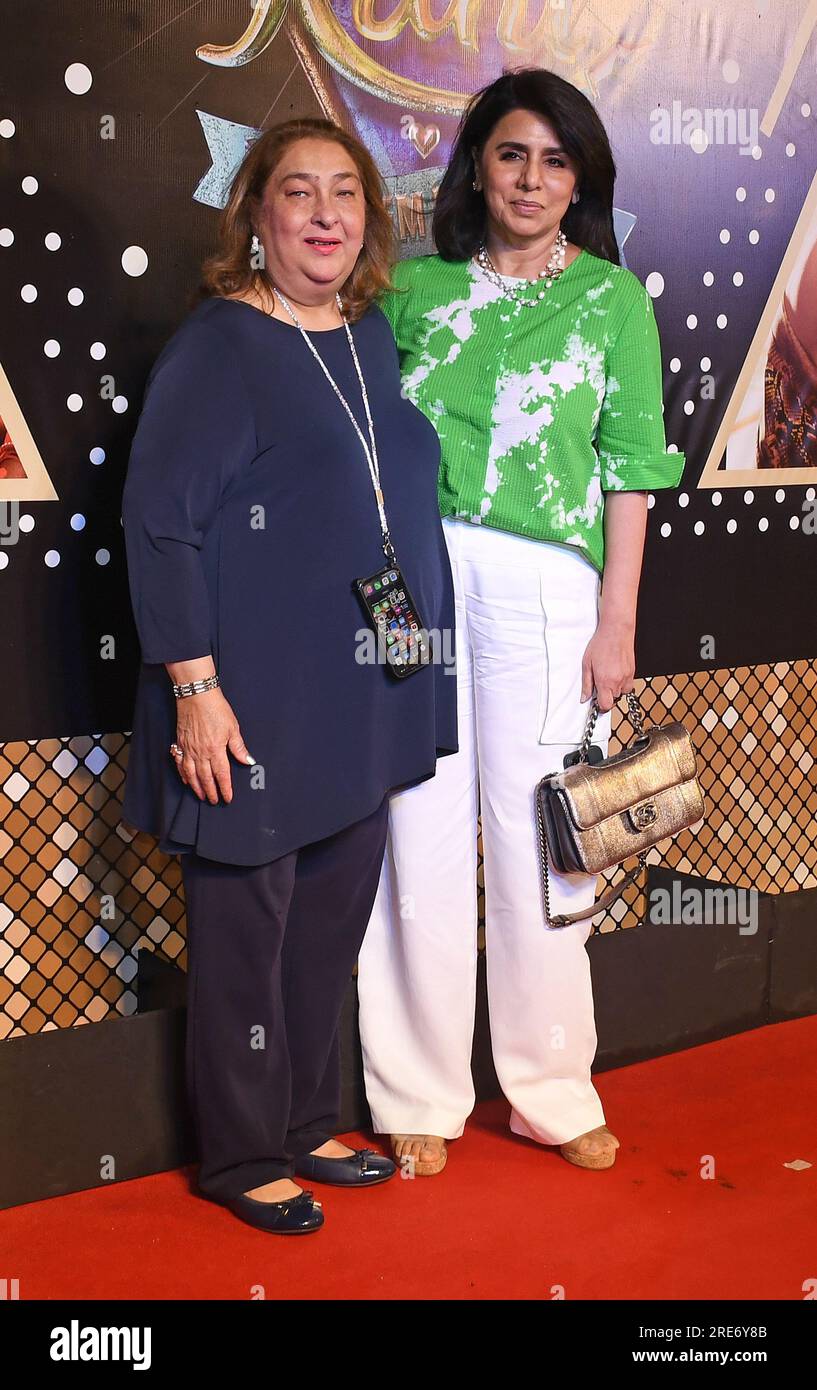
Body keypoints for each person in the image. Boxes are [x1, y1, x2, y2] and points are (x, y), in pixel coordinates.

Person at [119, 116, 458, 1233]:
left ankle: (311, 1118)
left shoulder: (367, 337)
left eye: (345, 195)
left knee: (326, 922)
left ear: (368, 219)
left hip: (361, 685)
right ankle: (240, 1154)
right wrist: (194, 690)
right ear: (256, 217)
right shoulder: (219, 345)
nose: (324, 214)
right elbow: (161, 527)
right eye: (299, 193)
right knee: (246, 931)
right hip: (248, 694)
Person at [356, 69, 685, 1177]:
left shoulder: (613, 301)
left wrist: (618, 623)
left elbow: (631, 473)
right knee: (417, 827)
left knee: (548, 846)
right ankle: (417, 1090)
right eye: (511, 154)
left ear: (579, 176)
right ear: (476, 166)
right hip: (413, 577)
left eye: (554, 159)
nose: (531, 178)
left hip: (550, 590)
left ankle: (551, 1088)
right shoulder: (410, 287)